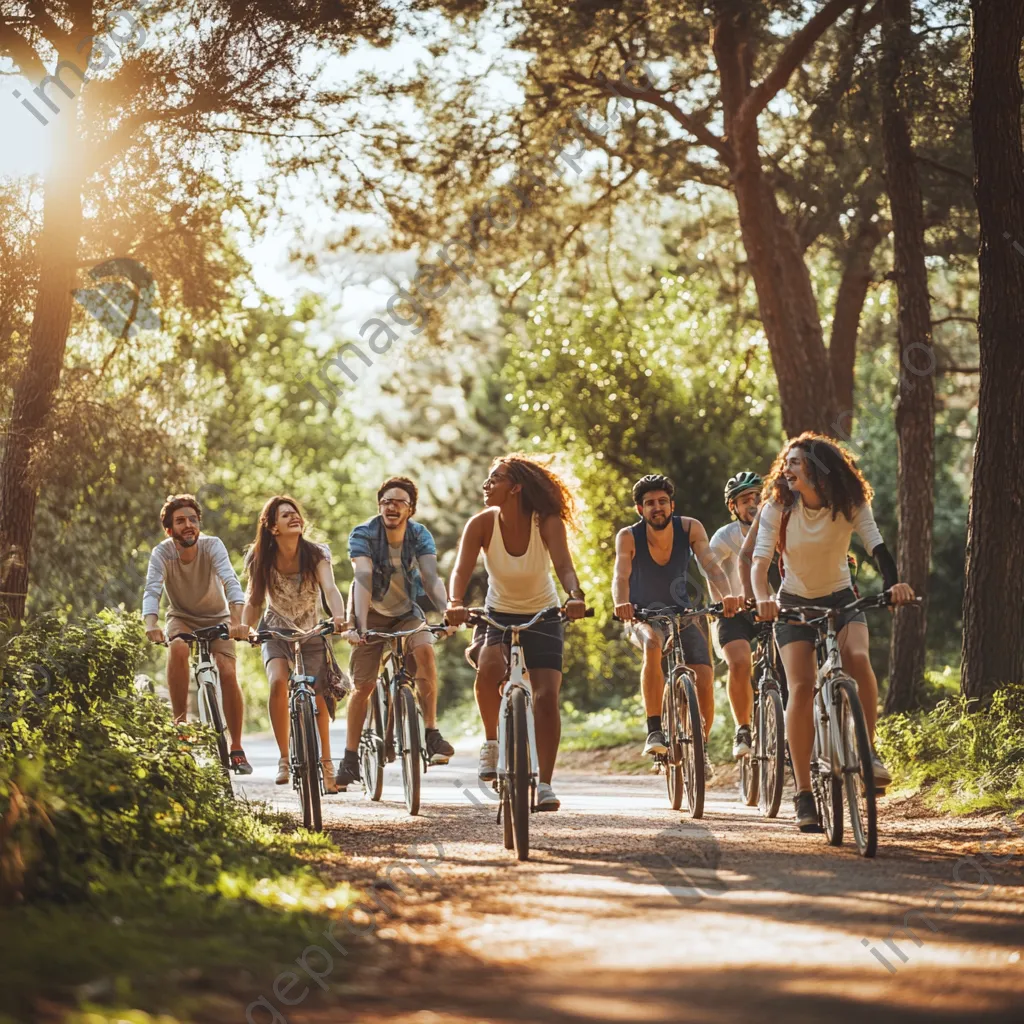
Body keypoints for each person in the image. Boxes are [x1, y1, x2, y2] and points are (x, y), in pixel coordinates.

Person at [750, 433, 916, 831]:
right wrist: (762, 598)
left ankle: (869, 752)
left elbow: (878, 549)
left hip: (842, 599)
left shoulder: (850, 504)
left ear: (818, 469)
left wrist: (894, 584)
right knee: (802, 686)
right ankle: (804, 793)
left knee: (858, 658)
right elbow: (759, 564)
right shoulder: (779, 508)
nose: (786, 470)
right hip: (792, 602)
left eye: (795, 463)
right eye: (785, 463)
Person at [445, 455, 587, 811]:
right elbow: (461, 570)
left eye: (495, 479)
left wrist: (575, 596)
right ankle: (492, 743)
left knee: (545, 696)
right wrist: (455, 602)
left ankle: (546, 785)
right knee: (489, 665)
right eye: (488, 480)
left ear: (517, 487)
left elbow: (564, 566)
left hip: (544, 613)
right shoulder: (481, 523)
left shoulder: (547, 522)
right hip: (498, 613)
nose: (487, 485)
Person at [611, 474, 743, 781]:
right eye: (649, 503)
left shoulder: (690, 527)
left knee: (705, 675)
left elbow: (711, 566)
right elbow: (620, 575)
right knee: (652, 645)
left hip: (686, 612)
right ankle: (655, 731)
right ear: (639, 509)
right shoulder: (628, 536)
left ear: (672, 505)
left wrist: (726, 599)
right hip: (643, 615)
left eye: (661, 501)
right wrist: (622, 603)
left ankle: (701, 749)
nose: (656, 508)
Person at [337, 476, 456, 788]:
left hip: (405, 613)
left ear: (410, 509)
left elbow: (430, 577)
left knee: (425, 650)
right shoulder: (363, 533)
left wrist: (448, 612)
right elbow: (362, 577)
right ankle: (350, 759)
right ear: (380, 505)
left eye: (399, 502)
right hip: (370, 612)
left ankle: (430, 732)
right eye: (386, 501)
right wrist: (358, 626)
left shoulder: (418, 535)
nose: (391, 506)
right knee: (363, 686)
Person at [241, 495, 348, 792]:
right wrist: (244, 627)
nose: (294, 518)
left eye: (295, 513)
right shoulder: (260, 557)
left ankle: (327, 764)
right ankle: (285, 758)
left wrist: (339, 616)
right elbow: (254, 600)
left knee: (319, 696)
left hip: (311, 630)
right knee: (277, 682)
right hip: (275, 631)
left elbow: (330, 588)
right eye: (285, 515)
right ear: (273, 527)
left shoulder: (316, 554)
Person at [143, 493, 252, 774]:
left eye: (193, 519)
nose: (188, 524)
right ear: (169, 530)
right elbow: (152, 591)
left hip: (218, 618)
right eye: (181, 521)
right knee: (177, 647)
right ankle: (180, 725)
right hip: (182, 617)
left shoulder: (212, 545)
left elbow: (230, 580)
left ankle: (237, 747)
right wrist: (150, 625)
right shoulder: (162, 553)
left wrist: (238, 621)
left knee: (227, 670)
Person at [709, 471, 766, 760]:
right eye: (746, 500)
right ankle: (743, 727)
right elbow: (711, 568)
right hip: (734, 612)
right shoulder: (726, 536)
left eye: (758, 496)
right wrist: (723, 601)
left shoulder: (778, 527)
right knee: (740, 663)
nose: (754, 503)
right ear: (734, 507)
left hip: (772, 609)